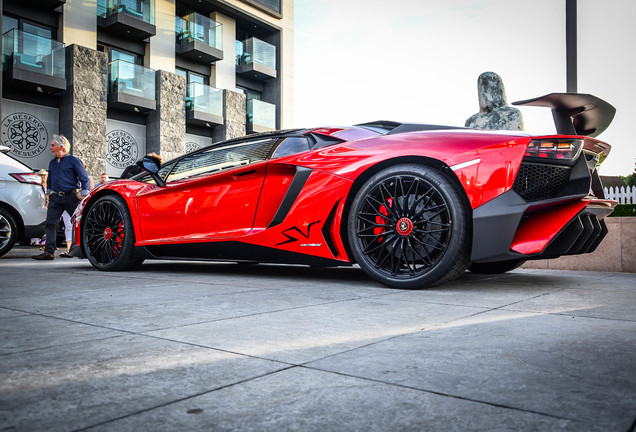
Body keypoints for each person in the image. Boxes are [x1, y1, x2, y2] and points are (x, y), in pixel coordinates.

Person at [32, 134, 91, 260]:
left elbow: (84, 177)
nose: (50, 148)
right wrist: (48, 192)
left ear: (61, 147)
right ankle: (49, 252)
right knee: (50, 223)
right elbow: (50, 179)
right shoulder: (52, 163)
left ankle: (85, 250)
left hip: (71, 198)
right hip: (55, 198)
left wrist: (85, 194)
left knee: (79, 223)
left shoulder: (74, 161)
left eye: (53, 145)